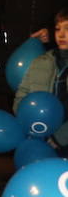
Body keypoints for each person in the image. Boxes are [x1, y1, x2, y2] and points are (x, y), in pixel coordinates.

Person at [15, 9, 68, 155]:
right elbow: (23, 94)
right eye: (58, 29)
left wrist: (59, 138)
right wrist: (27, 121)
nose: (61, 34)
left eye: (67, 29)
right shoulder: (42, 62)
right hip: (39, 135)